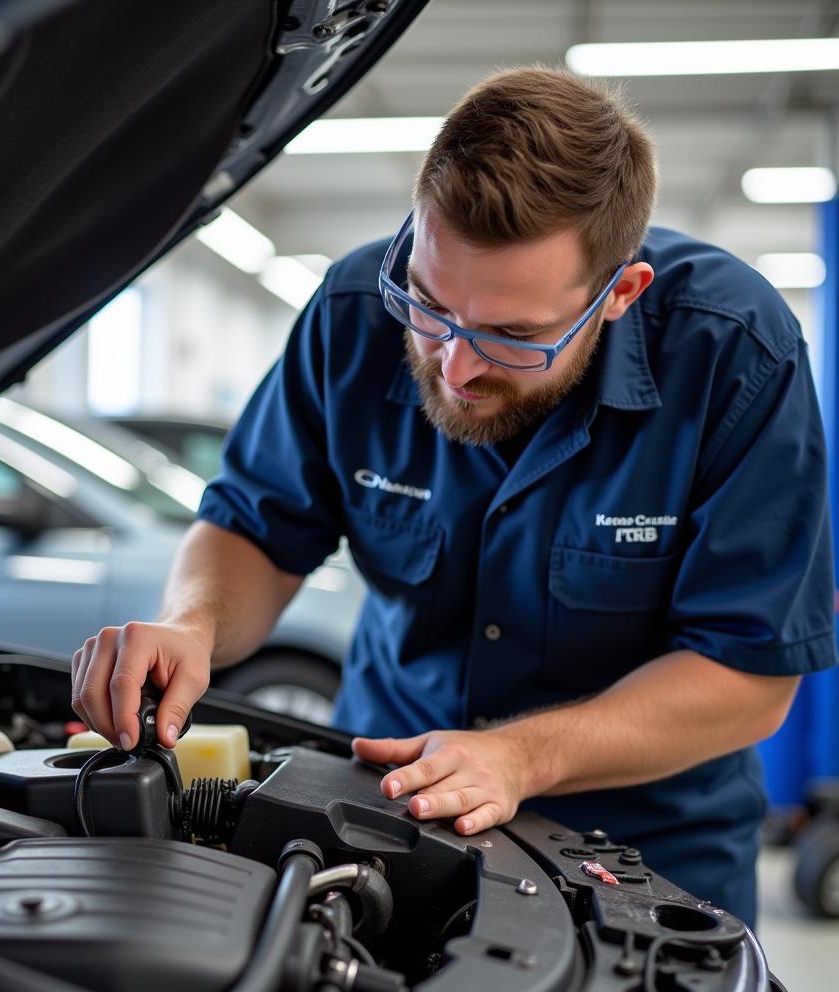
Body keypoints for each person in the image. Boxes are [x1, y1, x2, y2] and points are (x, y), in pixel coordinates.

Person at [71, 67, 836, 927]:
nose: (455, 365)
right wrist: (193, 623)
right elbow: (256, 526)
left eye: (514, 336)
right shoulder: (354, 312)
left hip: (647, 852)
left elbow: (748, 672)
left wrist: (520, 757)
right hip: (385, 810)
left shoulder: (735, 353)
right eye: (431, 306)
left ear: (620, 293)